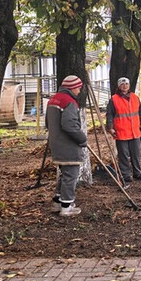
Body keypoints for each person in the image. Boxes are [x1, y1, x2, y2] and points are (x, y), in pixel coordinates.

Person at [46, 75, 88, 217]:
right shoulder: (69, 102)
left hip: (56, 143)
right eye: (78, 88)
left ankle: (58, 201)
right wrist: (82, 139)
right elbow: (70, 126)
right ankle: (66, 207)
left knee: (64, 174)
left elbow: (48, 123)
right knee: (71, 175)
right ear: (72, 87)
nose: (79, 91)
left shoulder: (53, 99)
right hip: (68, 145)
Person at [106, 77, 141, 182]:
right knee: (123, 155)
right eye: (122, 84)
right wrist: (110, 128)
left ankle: (137, 173)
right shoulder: (114, 99)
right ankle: (126, 175)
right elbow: (109, 115)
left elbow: (140, 112)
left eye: (127, 84)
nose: (125, 86)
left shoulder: (135, 97)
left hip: (134, 131)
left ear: (129, 85)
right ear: (119, 86)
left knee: (136, 154)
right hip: (121, 131)